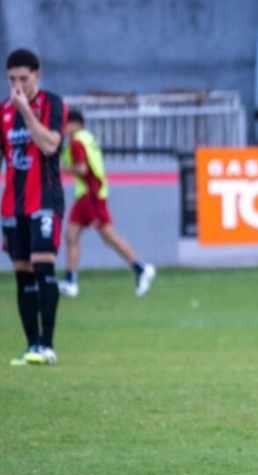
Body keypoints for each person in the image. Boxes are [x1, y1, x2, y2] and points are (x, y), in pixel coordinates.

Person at [2, 49, 67, 366]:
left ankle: (47, 345)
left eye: (23, 79)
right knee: (22, 274)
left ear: (36, 75)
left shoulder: (52, 104)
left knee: (43, 265)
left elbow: (49, 145)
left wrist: (26, 111)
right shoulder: (3, 112)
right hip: (13, 205)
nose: (17, 85)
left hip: (45, 199)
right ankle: (32, 347)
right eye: (11, 79)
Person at [57, 109, 156, 298]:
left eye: (65, 123)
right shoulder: (87, 138)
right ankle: (71, 281)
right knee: (71, 235)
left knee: (107, 236)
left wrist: (62, 169)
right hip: (89, 194)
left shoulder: (77, 141)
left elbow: (81, 168)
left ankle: (140, 268)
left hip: (90, 194)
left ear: (75, 123)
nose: (63, 128)